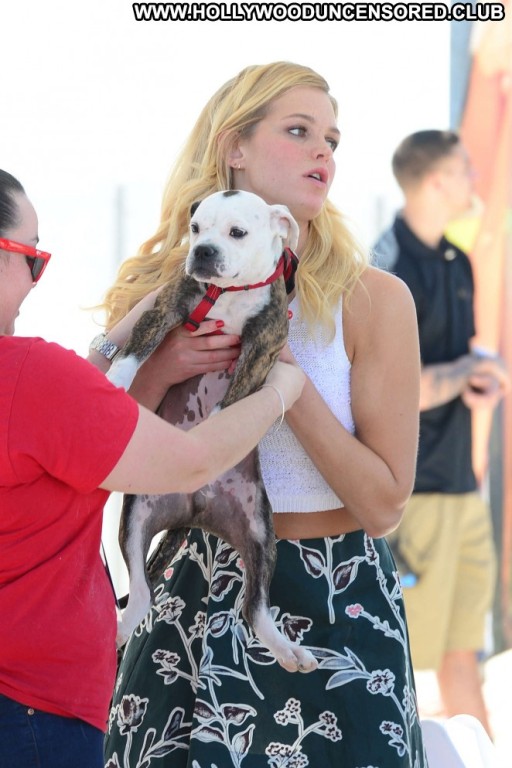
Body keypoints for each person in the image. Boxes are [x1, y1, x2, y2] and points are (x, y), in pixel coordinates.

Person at [102, 62, 427, 767]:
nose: (324, 153)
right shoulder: (167, 289)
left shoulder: (373, 299)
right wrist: (163, 367)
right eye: (299, 131)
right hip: (185, 593)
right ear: (235, 147)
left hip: (335, 602)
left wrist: (285, 379)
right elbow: (99, 455)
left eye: (332, 140)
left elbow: (384, 505)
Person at [0, 169, 305, 768]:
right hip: (31, 706)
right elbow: (190, 463)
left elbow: (76, 416)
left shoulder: (31, 384)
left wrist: (141, 341)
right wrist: (281, 391)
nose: (37, 280)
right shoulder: (28, 376)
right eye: (33, 259)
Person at [373, 130, 510, 736]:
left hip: (462, 489)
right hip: (417, 493)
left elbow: (452, 366)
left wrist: (478, 377)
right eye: (464, 170)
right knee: (402, 665)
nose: (475, 181)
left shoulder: (458, 261)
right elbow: (389, 392)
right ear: (434, 182)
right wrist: (466, 372)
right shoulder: (386, 270)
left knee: (463, 657)